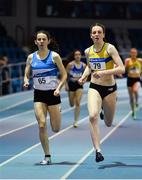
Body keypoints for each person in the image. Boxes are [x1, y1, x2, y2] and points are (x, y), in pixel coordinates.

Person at [78, 23, 125, 162]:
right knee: (92, 116)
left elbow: (121, 68)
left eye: (99, 32)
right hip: (95, 86)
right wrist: (84, 76)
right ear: (91, 35)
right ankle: (98, 151)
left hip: (109, 88)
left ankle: (104, 109)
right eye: (94, 32)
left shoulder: (110, 48)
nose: (97, 34)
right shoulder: (88, 51)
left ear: (103, 34)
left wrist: (104, 72)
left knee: (109, 123)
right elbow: (89, 66)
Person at [23, 30, 67, 165]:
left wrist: (59, 88)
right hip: (39, 94)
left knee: (56, 128)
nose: (41, 41)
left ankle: (58, 111)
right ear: (36, 42)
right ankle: (47, 156)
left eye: (44, 39)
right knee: (42, 125)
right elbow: (26, 74)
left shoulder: (55, 56)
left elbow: (64, 75)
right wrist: (26, 81)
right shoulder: (31, 57)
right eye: (39, 39)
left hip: (53, 94)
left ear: (48, 41)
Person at [65, 50, 86, 128]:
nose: (77, 56)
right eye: (76, 55)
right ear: (74, 56)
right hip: (71, 85)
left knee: (77, 102)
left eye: (79, 54)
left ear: (81, 56)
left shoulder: (84, 65)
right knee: (71, 104)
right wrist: (65, 84)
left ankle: (76, 121)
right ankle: (70, 99)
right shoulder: (70, 65)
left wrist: (83, 81)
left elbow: (86, 75)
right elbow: (64, 75)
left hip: (79, 85)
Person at [125, 48, 142, 119]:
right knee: (131, 98)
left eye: (135, 53)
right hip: (129, 79)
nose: (133, 54)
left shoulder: (140, 60)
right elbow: (125, 69)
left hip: (137, 79)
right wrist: (126, 66)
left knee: (135, 90)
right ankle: (133, 112)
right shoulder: (127, 60)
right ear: (130, 53)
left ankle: (137, 101)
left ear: (136, 53)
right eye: (132, 53)